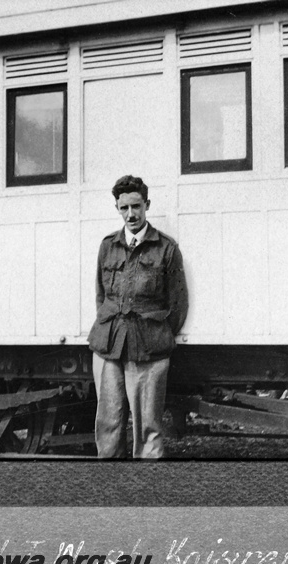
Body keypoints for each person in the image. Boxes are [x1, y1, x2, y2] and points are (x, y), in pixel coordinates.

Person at [88, 175, 189, 458]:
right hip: (108, 346)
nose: (131, 214)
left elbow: (178, 303)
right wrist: (110, 328)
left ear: (147, 205)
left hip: (149, 348)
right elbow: (101, 295)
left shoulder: (166, 248)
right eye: (124, 208)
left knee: (148, 427)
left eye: (136, 206)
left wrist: (156, 333)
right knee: (108, 423)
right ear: (117, 209)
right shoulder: (108, 246)